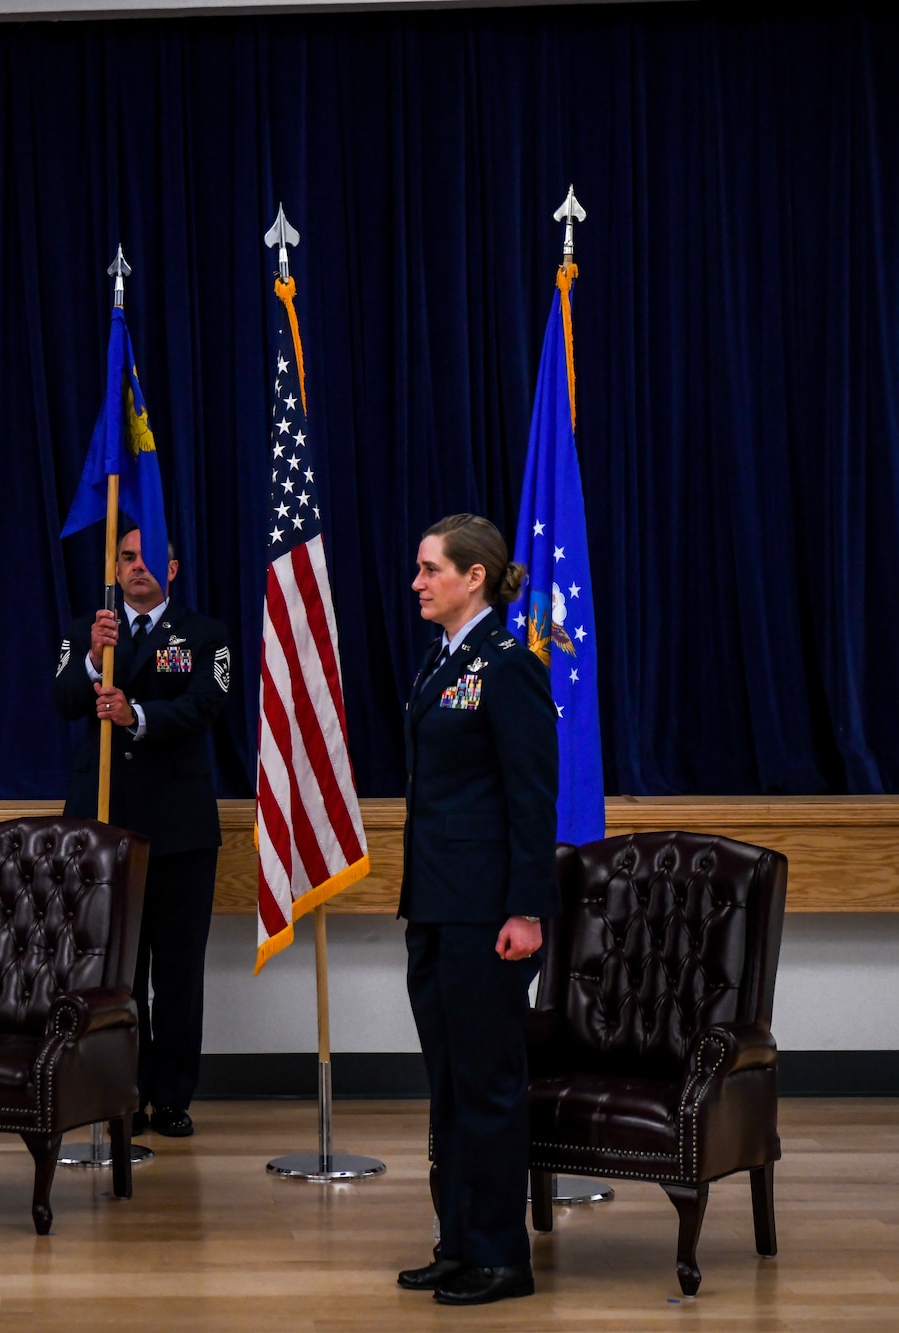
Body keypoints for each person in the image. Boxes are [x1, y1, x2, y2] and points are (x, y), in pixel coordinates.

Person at [394, 513, 559, 1307]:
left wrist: (527, 909)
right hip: (435, 907)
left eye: (431, 569)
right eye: (420, 569)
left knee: (488, 1083)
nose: (419, 581)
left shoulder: (508, 664)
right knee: (450, 1085)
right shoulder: (442, 659)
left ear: (474, 578)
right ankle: (458, 1241)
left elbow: (532, 796)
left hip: (488, 913)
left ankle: (502, 1255)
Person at [53, 522, 231, 1137]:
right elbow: (64, 699)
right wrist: (88, 656)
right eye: (126, 557)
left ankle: (172, 1096)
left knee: (178, 973)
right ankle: (117, 1093)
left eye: (149, 558)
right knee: (116, 973)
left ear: (173, 570)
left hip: (180, 832)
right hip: (104, 833)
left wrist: (138, 715)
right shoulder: (87, 630)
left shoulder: (208, 635)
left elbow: (206, 705)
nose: (137, 567)